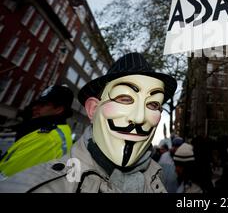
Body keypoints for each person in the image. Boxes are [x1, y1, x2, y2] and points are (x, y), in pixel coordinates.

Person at [0, 52, 177, 193]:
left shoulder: (157, 175)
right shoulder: (39, 185)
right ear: (93, 109)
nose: (139, 118)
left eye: (153, 104)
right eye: (124, 98)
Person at [0, 85, 74, 178]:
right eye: (37, 104)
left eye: (43, 105)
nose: (35, 108)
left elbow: (7, 175)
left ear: (59, 109)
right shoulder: (55, 130)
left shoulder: (47, 137)